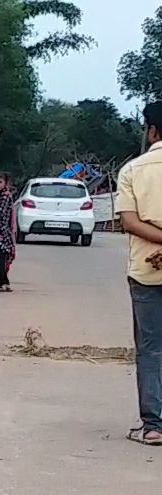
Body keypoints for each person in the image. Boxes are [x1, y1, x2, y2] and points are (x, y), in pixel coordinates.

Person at [117, 100, 162, 446]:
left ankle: (153, 426)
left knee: (150, 348)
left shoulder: (133, 170)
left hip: (147, 270)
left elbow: (129, 222)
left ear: (151, 130)